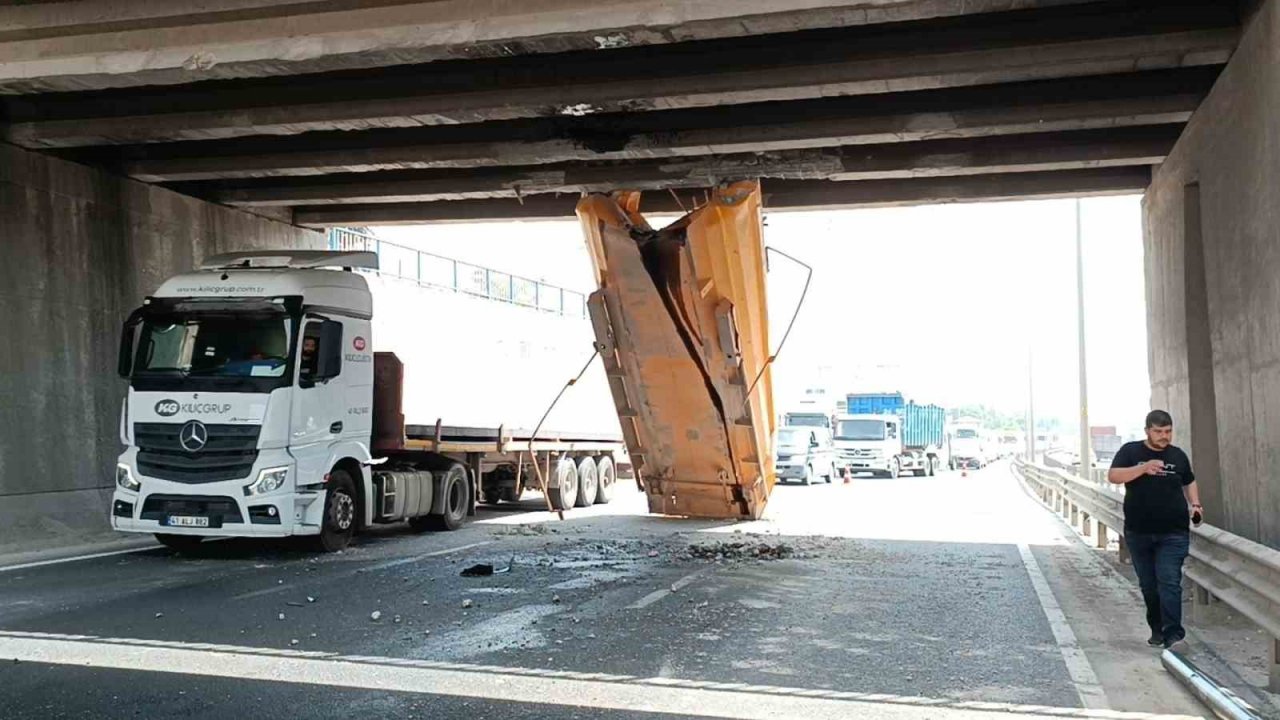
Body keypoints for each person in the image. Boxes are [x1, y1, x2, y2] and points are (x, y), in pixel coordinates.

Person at [1107, 410, 1202, 650]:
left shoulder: (1178, 455)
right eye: (1158, 431)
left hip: (1174, 532)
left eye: (1168, 431)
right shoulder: (1131, 451)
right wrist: (1143, 468)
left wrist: (1196, 504)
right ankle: (1157, 629)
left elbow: (1189, 480)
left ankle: (1174, 635)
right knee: (1149, 585)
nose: (1164, 436)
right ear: (1147, 430)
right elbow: (1114, 476)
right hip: (1139, 532)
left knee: (1169, 581)